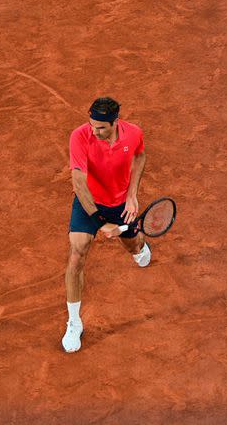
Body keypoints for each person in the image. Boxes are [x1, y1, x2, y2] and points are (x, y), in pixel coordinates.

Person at [62, 97, 150, 353]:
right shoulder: (80, 136)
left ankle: (140, 248)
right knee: (77, 253)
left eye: (101, 127)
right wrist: (100, 223)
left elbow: (140, 156)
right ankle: (74, 322)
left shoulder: (133, 134)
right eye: (92, 125)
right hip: (89, 202)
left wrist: (132, 195)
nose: (95, 131)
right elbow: (78, 182)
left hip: (120, 203)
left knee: (134, 247)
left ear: (115, 123)